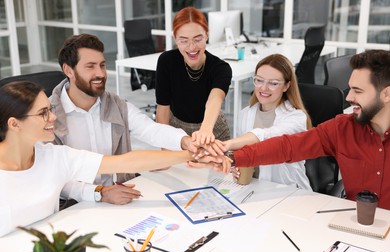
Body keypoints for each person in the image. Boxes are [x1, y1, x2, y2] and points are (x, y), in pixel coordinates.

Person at [0, 81, 219, 237]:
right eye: (43, 113)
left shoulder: (55, 157)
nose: (53, 117)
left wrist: (193, 154)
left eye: (50, 110)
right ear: (14, 124)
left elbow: (127, 162)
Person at [194, 50, 390, 210]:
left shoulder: (296, 116)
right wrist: (231, 158)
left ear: (386, 94)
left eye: (358, 91)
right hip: (356, 225)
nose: (349, 97)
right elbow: (286, 146)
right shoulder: (342, 128)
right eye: (350, 89)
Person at [50, 34, 195, 205]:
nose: (100, 73)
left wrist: (185, 141)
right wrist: (100, 193)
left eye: (102, 65)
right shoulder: (48, 116)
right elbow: (52, 175)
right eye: (90, 66)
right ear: (68, 70)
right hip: (74, 205)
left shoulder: (115, 105)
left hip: (120, 195)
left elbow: (151, 130)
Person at [224, 54, 312, 190]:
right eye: (259, 80)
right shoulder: (245, 114)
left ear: (286, 86)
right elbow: (242, 152)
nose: (263, 88)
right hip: (252, 187)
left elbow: (268, 138)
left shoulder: (296, 118)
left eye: (273, 83)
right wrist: (235, 167)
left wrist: (227, 145)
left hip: (287, 191)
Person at [155, 6, 232, 146]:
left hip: (212, 128)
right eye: (183, 40)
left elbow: (215, 99)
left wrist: (205, 131)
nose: (191, 48)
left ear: (207, 35)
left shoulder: (221, 68)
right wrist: (163, 146)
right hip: (176, 130)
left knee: (222, 166)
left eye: (197, 39)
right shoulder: (166, 61)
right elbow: (163, 108)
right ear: (175, 38)